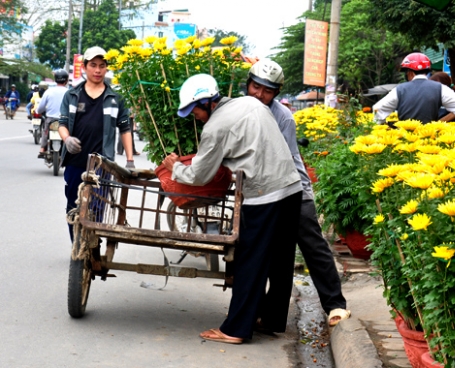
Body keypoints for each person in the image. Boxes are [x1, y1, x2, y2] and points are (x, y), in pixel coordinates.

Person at [162, 73, 302, 344]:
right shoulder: (251, 104)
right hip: (291, 188)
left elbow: (199, 176)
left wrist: (174, 168)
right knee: (280, 260)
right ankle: (270, 319)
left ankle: (235, 330)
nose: (196, 117)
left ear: (209, 103)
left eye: (196, 111)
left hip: (265, 195)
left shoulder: (215, 128)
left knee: (249, 261)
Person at [246, 59, 350, 327]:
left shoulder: (283, 118)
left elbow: (279, 159)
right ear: (248, 84)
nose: (259, 94)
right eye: (255, 87)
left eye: (267, 90)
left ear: (276, 93)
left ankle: (335, 305)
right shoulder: (242, 108)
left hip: (293, 188)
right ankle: (267, 316)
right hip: (262, 189)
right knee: (267, 252)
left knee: (312, 245)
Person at [58, 46, 134, 242]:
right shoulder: (72, 94)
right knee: (73, 206)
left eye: (102, 66)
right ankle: (77, 246)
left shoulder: (116, 98)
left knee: (98, 206)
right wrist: (67, 139)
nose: (98, 70)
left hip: (102, 163)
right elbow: (62, 123)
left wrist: (130, 160)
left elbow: (125, 128)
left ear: (106, 68)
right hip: (76, 161)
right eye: (93, 65)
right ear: (84, 67)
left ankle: (93, 244)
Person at [373, 52, 455, 125]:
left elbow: (377, 109)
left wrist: (382, 125)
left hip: (404, 140)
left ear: (410, 73)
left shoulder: (399, 89)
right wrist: (439, 123)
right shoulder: (440, 88)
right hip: (429, 139)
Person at [37, 70, 69, 158]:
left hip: (50, 119)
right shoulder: (69, 92)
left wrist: (38, 112)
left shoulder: (48, 92)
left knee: (45, 131)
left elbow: (40, 107)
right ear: (66, 80)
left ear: (55, 80)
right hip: (65, 120)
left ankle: (42, 149)